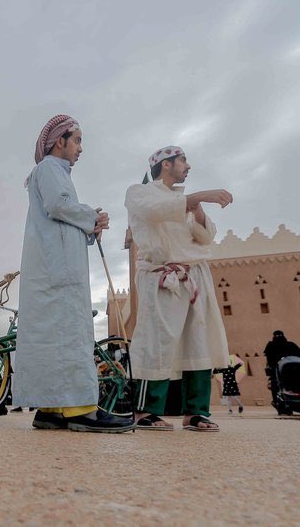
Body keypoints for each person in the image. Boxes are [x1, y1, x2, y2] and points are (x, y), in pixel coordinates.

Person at [13, 115, 134, 433]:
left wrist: (91, 224)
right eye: (77, 140)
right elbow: (58, 206)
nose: (80, 148)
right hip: (60, 272)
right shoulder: (50, 169)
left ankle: (51, 408)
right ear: (59, 141)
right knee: (70, 335)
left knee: (52, 337)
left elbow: (60, 217)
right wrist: (92, 216)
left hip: (52, 269)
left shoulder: (51, 172)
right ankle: (81, 409)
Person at [126, 146, 233, 432]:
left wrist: (197, 209)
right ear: (165, 164)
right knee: (158, 340)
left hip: (195, 275)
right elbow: (152, 212)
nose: (188, 165)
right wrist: (196, 198)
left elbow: (206, 237)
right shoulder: (139, 192)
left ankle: (196, 412)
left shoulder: (184, 201)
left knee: (199, 340)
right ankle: (146, 411)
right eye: (183, 160)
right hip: (162, 275)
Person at [264, 330, 300, 414]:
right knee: (276, 384)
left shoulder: (271, 345)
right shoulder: (291, 344)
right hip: (293, 370)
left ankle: (277, 402)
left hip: (281, 369)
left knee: (275, 384)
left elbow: (269, 359)